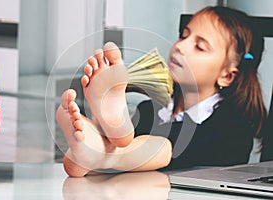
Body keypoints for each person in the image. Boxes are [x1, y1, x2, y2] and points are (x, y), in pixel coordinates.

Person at [56, 6, 267, 177]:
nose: (180, 46)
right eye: (184, 36)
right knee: (121, 147)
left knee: (162, 146)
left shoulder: (232, 124)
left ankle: (99, 153)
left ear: (227, 76)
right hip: (140, 186)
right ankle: (91, 154)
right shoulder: (149, 110)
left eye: (199, 47)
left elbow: (171, 152)